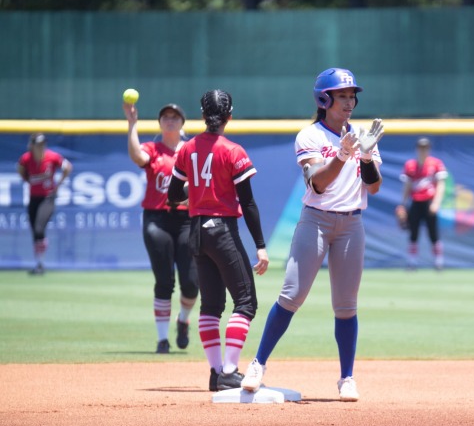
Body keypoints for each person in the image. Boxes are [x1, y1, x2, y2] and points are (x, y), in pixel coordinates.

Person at [240, 68, 384, 402]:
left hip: (351, 223)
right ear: (324, 99)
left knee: (346, 305)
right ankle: (258, 364)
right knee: (291, 295)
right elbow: (319, 183)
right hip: (316, 221)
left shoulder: (362, 134)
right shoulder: (310, 136)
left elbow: (374, 187)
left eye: (352, 95)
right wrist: (344, 154)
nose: (350, 102)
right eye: (342, 95)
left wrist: (364, 155)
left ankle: (347, 378)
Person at [167, 89, 269, 392]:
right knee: (246, 302)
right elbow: (248, 203)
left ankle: (215, 374)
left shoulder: (186, 149)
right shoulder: (233, 151)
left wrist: (196, 193)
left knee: (211, 306)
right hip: (222, 229)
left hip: (195, 231)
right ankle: (228, 371)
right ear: (229, 116)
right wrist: (261, 245)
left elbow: (173, 195)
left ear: (201, 115)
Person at [123, 101, 199, 354]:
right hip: (157, 218)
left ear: (182, 122)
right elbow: (137, 156)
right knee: (164, 280)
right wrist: (132, 124)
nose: (170, 119)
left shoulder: (191, 149)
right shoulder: (153, 149)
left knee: (190, 283)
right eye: (165, 116)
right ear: (160, 122)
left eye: (175, 116)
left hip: (187, 219)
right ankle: (162, 340)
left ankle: (183, 319)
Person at [16, 133, 73, 275]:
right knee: (35, 231)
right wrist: (26, 179)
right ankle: (39, 264)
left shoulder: (52, 157)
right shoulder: (26, 158)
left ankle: (40, 263)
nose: (41, 147)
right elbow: (20, 168)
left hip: (48, 197)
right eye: (38, 144)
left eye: (43, 144)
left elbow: (67, 167)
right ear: (32, 146)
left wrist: (58, 185)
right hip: (33, 198)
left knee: (39, 227)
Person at [399, 137, 448, 270]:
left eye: (425, 148)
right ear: (417, 149)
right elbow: (407, 186)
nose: (423, 150)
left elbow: (441, 185)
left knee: (433, 233)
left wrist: (436, 203)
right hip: (416, 201)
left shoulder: (436, 163)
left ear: (429, 149)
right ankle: (412, 262)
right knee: (413, 232)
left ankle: (438, 262)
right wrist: (402, 204)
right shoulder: (410, 165)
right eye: (421, 148)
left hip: (429, 201)